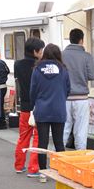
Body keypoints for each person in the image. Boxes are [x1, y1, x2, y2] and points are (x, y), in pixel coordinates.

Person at [30, 44, 70, 174]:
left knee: (42, 143)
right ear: (58, 55)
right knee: (59, 143)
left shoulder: (37, 70)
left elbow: (32, 92)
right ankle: (62, 170)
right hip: (58, 109)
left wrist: (35, 104)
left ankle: (43, 171)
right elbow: (68, 89)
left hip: (42, 110)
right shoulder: (63, 70)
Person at [14, 37, 45, 177]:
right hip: (38, 106)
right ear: (35, 51)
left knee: (23, 137)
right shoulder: (40, 65)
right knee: (38, 137)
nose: (43, 52)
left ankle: (19, 165)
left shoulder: (17, 64)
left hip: (25, 106)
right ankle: (34, 168)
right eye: (41, 49)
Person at [62, 28, 94, 150]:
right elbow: (92, 76)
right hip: (81, 99)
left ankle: (58, 158)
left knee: (64, 129)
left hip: (65, 98)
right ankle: (80, 160)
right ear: (81, 40)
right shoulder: (86, 56)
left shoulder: (61, 55)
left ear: (70, 39)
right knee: (81, 131)